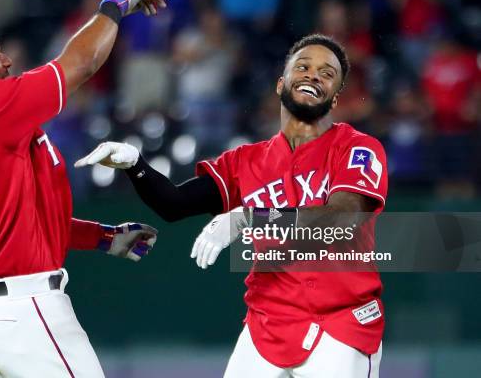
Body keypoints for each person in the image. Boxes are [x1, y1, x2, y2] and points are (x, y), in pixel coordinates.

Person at [76, 34, 387, 377]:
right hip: (268, 322)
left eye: (327, 74)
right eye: (304, 66)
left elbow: (342, 217)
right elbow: (175, 204)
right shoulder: (246, 161)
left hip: (339, 322)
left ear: (335, 97)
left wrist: (248, 218)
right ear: (281, 83)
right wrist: (136, 165)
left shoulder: (357, 147)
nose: (314, 75)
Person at [0, 0, 167, 378]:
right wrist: (116, 3)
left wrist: (101, 237)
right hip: (25, 310)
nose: (7, 61)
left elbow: (12, 225)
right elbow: (80, 64)